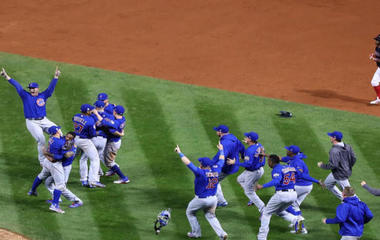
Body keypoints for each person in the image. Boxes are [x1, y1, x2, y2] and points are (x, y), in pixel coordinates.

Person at [1, 67, 60, 166]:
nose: (32, 90)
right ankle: (42, 161)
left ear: (37, 89)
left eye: (33, 88)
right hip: (32, 122)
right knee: (41, 139)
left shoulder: (43, 95)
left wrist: (56, 77)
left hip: (44, 120)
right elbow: (17, 86)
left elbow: (51, 88)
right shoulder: (25, 95)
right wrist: (6, 76)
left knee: (58, 132)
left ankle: (56, 153)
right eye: (30, 88)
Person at [175, 143, 228, 240]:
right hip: (213, 199)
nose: (199, 164)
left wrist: (180, 153)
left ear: (203, 166)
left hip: (201, 200)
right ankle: (222, 234)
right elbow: (221, 160)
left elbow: (189, 164)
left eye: (200, 163)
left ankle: (196, 233)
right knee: (211, 216)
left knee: (190, 213)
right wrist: (221, 150)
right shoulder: (217, 169)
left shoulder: (200, 173)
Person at [28, 126, 81, 213]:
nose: (61, 131)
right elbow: (58, 157)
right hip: (56, 165)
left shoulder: (52, 138)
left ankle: (32, 191)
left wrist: (45, 153)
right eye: (58, 129)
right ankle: (55, 204)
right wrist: (47, 154)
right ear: (57, 131)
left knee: (45, 178)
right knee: (60, 185)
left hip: (52, 163)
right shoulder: (61, 142)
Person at [256, 154, 300, 240]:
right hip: (294, 194)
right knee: (279, 211)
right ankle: (296, 220)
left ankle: (261, 237)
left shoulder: (276, 169)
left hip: (282, 195)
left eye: (268, 161)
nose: (268, 163)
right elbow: (300, 175)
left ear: (271, 162)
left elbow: (276, 181)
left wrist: (262, 186)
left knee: (266, 213)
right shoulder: (289, 167)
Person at [281, 145, 324, 234]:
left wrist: (316, 181)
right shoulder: (294, 158)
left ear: (291, 152)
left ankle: (298, 222)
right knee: (295, 206)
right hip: (305, 186)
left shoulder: (297, 162)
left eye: (288, 150)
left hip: (301, 186)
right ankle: (300, 227)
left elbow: (301, 175)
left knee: (285, 204)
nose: (286, 151)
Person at [227, 131, 265, 212]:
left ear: (250, 140)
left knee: (249, 192)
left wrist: (235, 162)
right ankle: (253, 196)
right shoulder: (260, 145)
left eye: (247, 137)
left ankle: (263, 209)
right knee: (240, 179)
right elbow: (254, 157)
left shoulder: (250, 150)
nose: (245, 138)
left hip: (253, 172)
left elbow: (248, 164)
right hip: (260, 169)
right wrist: (248, 144)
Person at [45, 131, 83, 208]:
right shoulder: (64, 139)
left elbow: (60, 157)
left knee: (61, 187)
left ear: (72, 139)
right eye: (67, 136)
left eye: (69, 138)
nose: (67, 138)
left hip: (65, 168)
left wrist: (48, 154)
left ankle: (77, 201)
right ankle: (56, 199)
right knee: (48, 182)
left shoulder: (71, 146)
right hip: (59, 167)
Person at [73, 104, 105, 188]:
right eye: (91, 110)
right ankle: (93, 180)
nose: (92, 110)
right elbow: (92, 135)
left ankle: (83, 180)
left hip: (76, 138)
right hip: (85, 141)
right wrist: (100, 133)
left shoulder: (76, 116)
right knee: (95, 159)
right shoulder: (90, 121)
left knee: (82, 158)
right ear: (87, 111)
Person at [318, 131, 356, 200]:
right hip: (339, 172)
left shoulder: (334, 150)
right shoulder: (348, 146)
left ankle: (359, 206)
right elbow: (354, 158)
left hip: (340, 175)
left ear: (334, 138)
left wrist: (322, 165)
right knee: (328, 184)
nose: (330, 137)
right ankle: (344, 199)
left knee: (350, 194)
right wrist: (347, 167)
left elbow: (333, 165)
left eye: (331, 136)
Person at [212, 124, 245, 207]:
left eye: (217, 131)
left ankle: (221, 201)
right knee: (215, 180)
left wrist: (211, 164)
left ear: (220, 132)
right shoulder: (233, 137)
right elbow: (242, 147)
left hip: (228, 166)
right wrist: (243, 156)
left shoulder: (225, 143)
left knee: (212, 179)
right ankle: (221, 200)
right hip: (233, 165)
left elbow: (222, 155)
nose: (216, 132)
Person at [79, 100, 109, 180]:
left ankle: (88, 178)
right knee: (97, 158)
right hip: (103, 140)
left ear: (96, 107)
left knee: (85, 158)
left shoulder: (91, 116)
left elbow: (91, 130)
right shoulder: (109, 116)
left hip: (93, 139)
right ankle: (97, 177)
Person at [102, 105, 130, 184]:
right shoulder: (122, 119)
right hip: (115, 142)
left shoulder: (116, 122)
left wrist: (121, 134)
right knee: (110, 159)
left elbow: (112, 131)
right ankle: (112, 171)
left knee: (109, 162)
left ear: (115, 112)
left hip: (112, 143)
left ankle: (124, 178)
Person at [369, 34, 380, 104]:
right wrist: (374, 55)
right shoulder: (377, 47)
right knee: (374, 82)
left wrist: (374, 59)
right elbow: (378, 55)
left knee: (374, 82)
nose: (375, 41)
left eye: (377, 40)